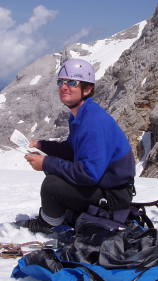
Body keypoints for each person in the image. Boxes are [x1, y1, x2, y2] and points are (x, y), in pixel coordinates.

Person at [20, 58, 136, 234]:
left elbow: (89, 174)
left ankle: (49, 224)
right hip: (106, 187)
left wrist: (46, 163)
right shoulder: (81, 115)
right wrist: (41, 145)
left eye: (72, 82)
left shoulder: (93, 123)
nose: (63, 87)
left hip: (113, 195)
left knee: (52, 184)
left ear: (87, 89)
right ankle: (62, 216)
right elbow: (70, 150)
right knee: (54, 171)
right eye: (61, 82)